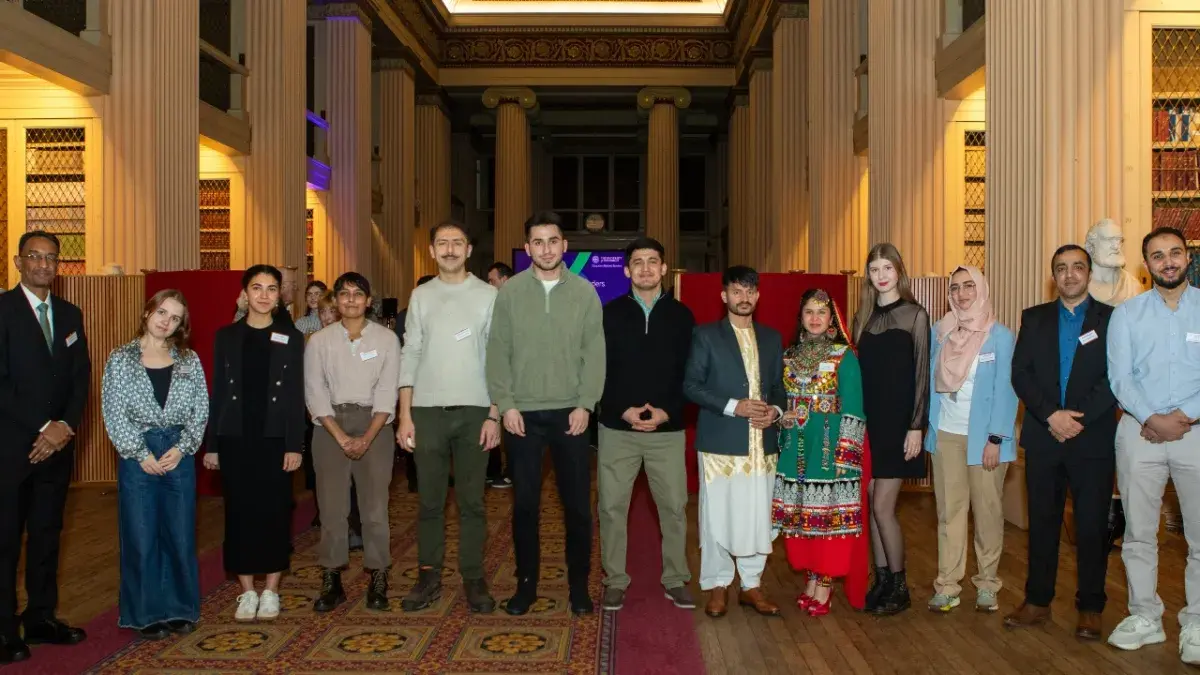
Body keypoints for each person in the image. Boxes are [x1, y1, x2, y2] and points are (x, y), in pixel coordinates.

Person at [486, 210, 606, 616]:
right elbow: (497, 353)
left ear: (564, 246)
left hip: (571, 415)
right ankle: (526, 587)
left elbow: (595, 356)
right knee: (525, 507)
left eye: (552, 241)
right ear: (527, 248)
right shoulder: (510, 293)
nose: (546, 249)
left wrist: (585, 404)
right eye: (537, 242)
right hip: (522, 417)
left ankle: (579, 588)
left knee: (576, 507)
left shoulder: (585, 293)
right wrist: (506, 405)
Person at [1006, 244, 1116, 640]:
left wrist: (1076, 419)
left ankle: (1090, 606)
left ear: (1089, 273)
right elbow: (1021, 373)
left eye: (1077, 267)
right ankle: (1037, 600)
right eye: (1061, 268)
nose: (1069, 275)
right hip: (1044, 436)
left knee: (1090, 526)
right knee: (1043, 523)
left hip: (1093, 439)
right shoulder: (1033, 319)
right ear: (1053, 275)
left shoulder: (1111, 320)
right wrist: (1052, 415)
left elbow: (1114, 378)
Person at [1105, 226, 1200, 664]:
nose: (1168, 262)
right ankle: (1145, 615)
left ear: (1187, 257)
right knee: (1139, 534)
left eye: (1174, 253)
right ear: (1146, 265)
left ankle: (1196, 622)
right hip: (1139, 434)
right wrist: (1152, 418)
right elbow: (1120, 379)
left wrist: (1182, 418)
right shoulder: (1127, 315)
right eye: (1158, 256)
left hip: (1195, 433)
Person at [396, 220, 501, 613]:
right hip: (426, 412)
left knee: (473, 502)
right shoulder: (421, 295)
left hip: (476, 411)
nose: (451, 249)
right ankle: (428, 576)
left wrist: (494, 413)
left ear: (469, 250)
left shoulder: (489, 295)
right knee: (429, 502)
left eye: (458, 242)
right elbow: (411, 353)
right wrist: (404, 416)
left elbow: (498, 357)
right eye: (443, 243)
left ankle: (473, 577)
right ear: (432, 250)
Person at [0, 231, 90, 663]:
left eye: (50, 258)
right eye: (34, 256)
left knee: (47, 535)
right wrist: (42, 428)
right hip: (12, 448)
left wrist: (65, 427)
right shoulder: (1, 311)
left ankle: (40, 617)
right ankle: (3, 628)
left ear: (59, 265)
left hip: (57, 450)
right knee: (5, 540)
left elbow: (80, 380)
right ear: (18, 262)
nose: (42, 264)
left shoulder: (71, 315)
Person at [102, 290, 209, 639]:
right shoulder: (121, 359)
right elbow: (113, 411)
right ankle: (144, 614)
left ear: (181, 325)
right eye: (162, 312)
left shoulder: (189, 360)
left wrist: (183, 448)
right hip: (139, 455)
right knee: (141, 535)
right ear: (148, 311)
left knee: (179, 535)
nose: (166, 321)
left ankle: (179, 609)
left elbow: (200, 409)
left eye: (175, 317)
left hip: (178, 452)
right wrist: (139, 453)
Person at [597, 238, 696, 612]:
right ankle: (615, 581)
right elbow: (596, 371)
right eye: (637, 262)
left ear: (664, 268)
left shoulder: (682, 316)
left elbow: (691, 374)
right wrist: (620, 408)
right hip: (616, 430)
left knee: (673, 507)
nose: (645, 268)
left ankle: (675, 579)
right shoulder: (608, 315)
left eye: (652, 261)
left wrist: (667, 412)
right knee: (611, 507)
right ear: (626, 270)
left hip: (667, 432)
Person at [205, 265, 305, 622]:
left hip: (275, 439)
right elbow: (218, 393)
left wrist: (295, 444)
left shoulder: (290, 337)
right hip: (235, 438)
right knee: (240, 513)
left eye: (271, 288)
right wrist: (212, 444)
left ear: (280, 295)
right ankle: (247, 591)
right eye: (257, 288)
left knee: (276, 513)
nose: (264, 295)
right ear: (244, 294)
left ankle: (272, 590)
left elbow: (295, 395)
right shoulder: (226, 336)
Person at [683, 265, 784, 619]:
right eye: (737, 292)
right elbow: (691, 386)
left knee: (759, 515)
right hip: (720, 445)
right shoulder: (706, 336)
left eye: (750, 291)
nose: (744, 298)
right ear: (724, 296)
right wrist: (734, 407)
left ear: (757, 295)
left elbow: (780, 390)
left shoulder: (772, 338)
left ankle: (751, 585)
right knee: (717, 516)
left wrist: (774, 411)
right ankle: (717, 585)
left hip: (762, 445)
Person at [306, 272, 401, 613]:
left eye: (357, 294)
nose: (350, 300)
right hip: (329, 427)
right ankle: (331, 578)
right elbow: (315, 393)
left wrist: (367, 437)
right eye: (343, 294)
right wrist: (342, 436)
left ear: (369, 301)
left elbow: (388, 392)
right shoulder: (319, 341)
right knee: (332, 509)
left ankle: (378, 575)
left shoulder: (387, 340)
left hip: (375, 426)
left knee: (375, 510)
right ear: (335, 300)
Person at [925, 265, 1018, 614]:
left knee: (988, 513)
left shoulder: (1001, 336)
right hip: (947, 434)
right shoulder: (941, 332)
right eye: (955, 288)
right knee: (949, 513)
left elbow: (1007, 392)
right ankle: (947, 585)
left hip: (987, 440)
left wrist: (995, 438)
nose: (962, 294)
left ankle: (987, 584)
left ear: (981, 289)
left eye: (968, 286)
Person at [772, 288, 868, 616]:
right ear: (801, 317)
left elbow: (855, 407)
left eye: (821, 312)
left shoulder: (844, 356)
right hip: (794, 449)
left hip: (829, 451)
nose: (814, 318)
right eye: (809, 312)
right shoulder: (788, 356)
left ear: (831, 320)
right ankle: (811, 578)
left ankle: (825, 584)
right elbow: (778, 401)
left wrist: (847, 454)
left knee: (828, 520)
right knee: (802, 518)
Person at [852, 243, 929, 615]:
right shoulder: (862, 317)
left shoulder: (916, 315)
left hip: (901, 426)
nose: (881, 275)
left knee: (884, 507)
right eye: (874, 269)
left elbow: (921, 376)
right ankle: (881, 580)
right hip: (869, 424)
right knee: (872, 506)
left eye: (887, 267)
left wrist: (916, 427)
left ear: (899, 270)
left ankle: (901, 586)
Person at [395, 274, 435, 493]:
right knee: (413, 431)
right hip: (413, 383)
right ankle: (414, 478)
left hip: (435, 386)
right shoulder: (405, 316)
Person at [485, 261, 514, 489]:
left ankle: (512, 472)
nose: (489, 285)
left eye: (492, 281)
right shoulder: (491, 306)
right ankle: (496, 470)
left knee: (514, 426)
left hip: (515, 380)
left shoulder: (515, 304)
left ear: (504, 280)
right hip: (495, 376)